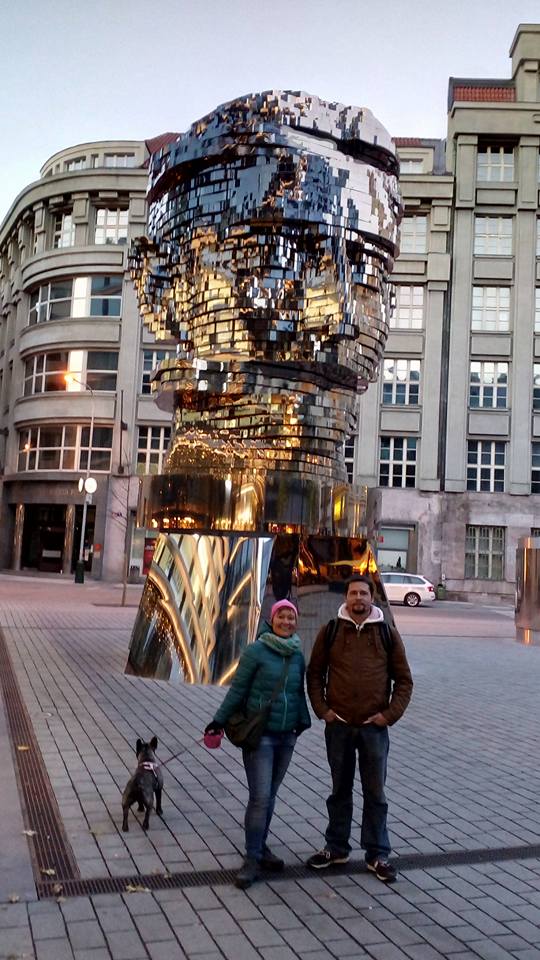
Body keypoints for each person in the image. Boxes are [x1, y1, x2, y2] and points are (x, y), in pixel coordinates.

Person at [306, 575, 413, 883]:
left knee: (375, 793)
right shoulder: (331, 630)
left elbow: (404, 681)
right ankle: (336, 847)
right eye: (353, 593)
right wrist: (323, 711)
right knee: (339, 790)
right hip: (339, 727)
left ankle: (377, 854)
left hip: (373, 729)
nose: (358, 598)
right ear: (346, 597)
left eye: (363, 593)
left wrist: (388, 716)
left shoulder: (387, 633)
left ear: (372, 596)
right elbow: (315, 674)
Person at [205, 599, 311, 889]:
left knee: (271, 796)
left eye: (291, 617)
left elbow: (298, 692)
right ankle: (251, 858)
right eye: (282, 617)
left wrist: (301, 721)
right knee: (260, 797)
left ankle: (261, 848)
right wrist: (218, 720)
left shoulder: (297, 653)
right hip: (261, 735)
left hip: (287, 736)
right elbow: (238, 690)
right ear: (272, 620)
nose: (287, 622)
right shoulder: (256, 651)